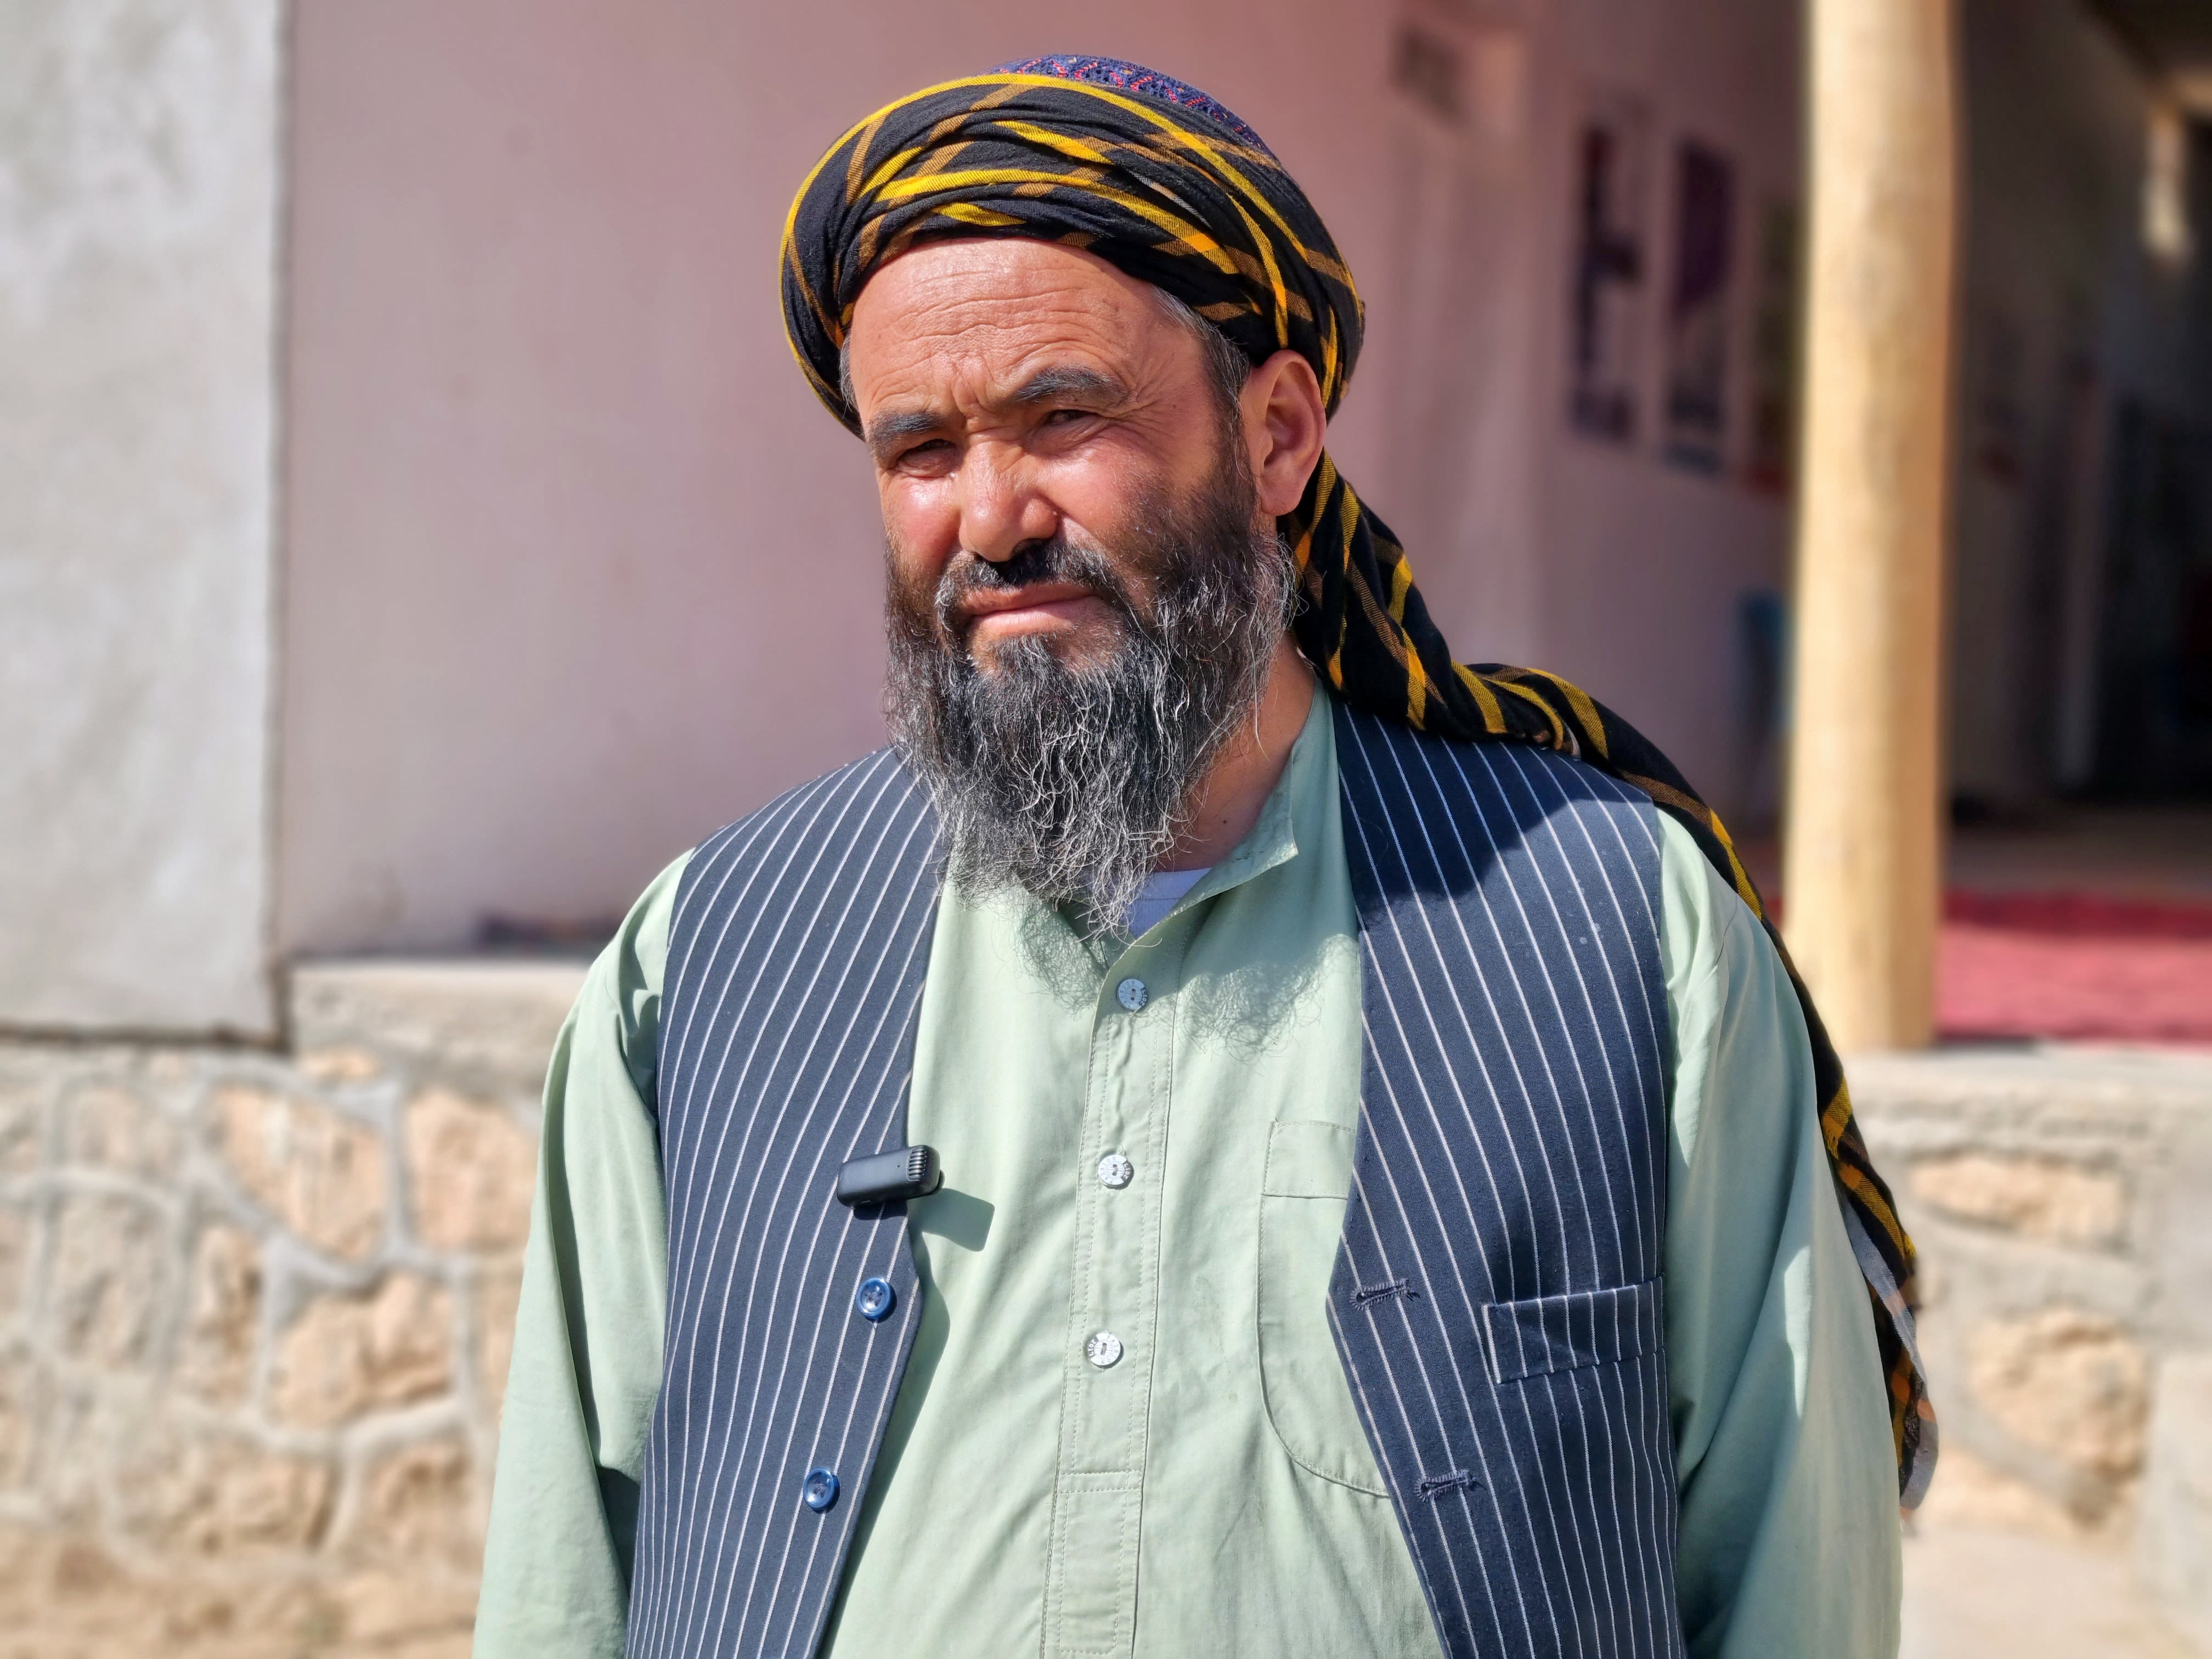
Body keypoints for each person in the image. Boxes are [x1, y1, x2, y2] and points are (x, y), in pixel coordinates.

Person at [473, 55, 1931, 1659]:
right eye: (920, 453)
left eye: (1061, 417)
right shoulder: (712, 957)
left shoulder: (1617, 930)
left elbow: (1793, 1572)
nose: (993, 515)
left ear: (1282, 434)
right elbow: (569, 1569)